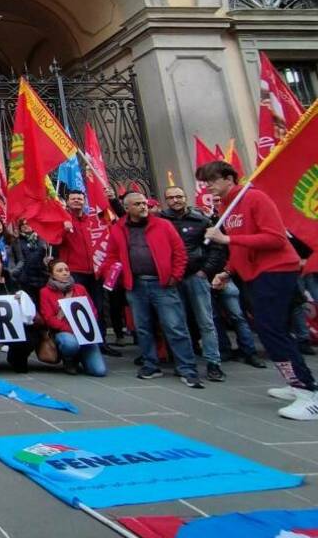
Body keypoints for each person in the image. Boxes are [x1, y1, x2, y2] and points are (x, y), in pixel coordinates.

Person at [200, 160, 318, 420]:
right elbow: (240, 247)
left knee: (271, 329)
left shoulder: (255, 198)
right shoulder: (227, 206)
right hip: (254, 274)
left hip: (276, 271)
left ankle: (307, 392)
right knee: (272, 329)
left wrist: (227, 238)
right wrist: (227, 272)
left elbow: (275, 238)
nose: (208, 185)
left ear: (229, 178)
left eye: (212, 180)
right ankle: (296, 381)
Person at [103, 191, 202, 388]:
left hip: (163, 284)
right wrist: (119, 277)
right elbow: (112, 255)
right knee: (142, 328)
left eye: (145, 203)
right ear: (128, 207)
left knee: (175, 326)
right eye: (138, 204)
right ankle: (150, 364)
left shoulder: (163, 225)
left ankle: (187, 367)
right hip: (136, 285)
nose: (143, 207)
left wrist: (175, 276)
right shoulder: (118, 229)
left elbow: (179, 252)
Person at [160, 186, 230, 382]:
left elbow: (217, 249)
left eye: (179, 196)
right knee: (177, 323)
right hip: (172, 278)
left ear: (185, 198)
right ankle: (185, 362)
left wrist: (204, 271)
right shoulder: (159, 221)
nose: (175, 200)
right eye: (171, 197)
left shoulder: (201, 220)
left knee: (206, 322)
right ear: (166, 200)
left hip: (195, 277)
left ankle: (213, 363)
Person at [54, 190, 120, 357]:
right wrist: (63, 228)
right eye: (73, 199)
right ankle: (81, 341)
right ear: (67, 202)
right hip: (74, 272)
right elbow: (54, 241)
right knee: (78, 308)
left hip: (96, 271)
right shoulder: (62, 220)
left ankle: (101, 341)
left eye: (80, 199)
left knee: (98, 307)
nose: (77, 201)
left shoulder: (93, 220)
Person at [39, 259, 107, 377]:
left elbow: (92, 310)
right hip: (63, 332)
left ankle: (81, 356)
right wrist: (72, 329)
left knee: (99, 371)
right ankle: (69, 359)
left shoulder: (80, 289)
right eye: (60, 271)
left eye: (66, 270)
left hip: (85, 333)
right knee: (70, 344)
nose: (65, 273)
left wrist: (86, 328)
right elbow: (49, 319)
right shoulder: (45, 292)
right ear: (52, 275)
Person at [10, 218, 49, 292]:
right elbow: (15, 259)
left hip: (42, 277)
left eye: (27, 223)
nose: (25, 226)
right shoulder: (16, 242)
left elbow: (48, 255)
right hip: (25, 280)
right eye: (22, 225)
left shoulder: (43, 239)